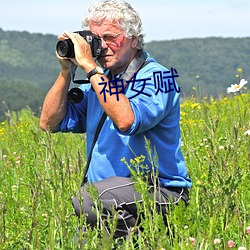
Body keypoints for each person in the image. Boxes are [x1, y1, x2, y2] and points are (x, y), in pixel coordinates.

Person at [40, 0, 192, 244]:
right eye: (96, 39)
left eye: (110, 37)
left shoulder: (159, 78)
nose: (102, 47)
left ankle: (147, 241)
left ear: (133, 39)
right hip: (110, 200)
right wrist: (66, 70)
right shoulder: (102, 83)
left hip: (160, 192)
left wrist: (90, 68)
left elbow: (126, 120)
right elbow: (49, 123)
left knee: (88, 200)